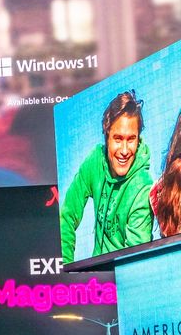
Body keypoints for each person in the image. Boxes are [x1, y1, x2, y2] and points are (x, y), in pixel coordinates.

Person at [60, 90, 154, 262]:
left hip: (123, 281)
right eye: (118, 139)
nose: (125, 151)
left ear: (138, 139)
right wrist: (64, 269)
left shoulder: (143, 187)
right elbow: (66, 216)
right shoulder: (95, 161)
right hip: (99, 278)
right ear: (106, 136)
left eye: (131, 139)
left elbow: (135, 262)